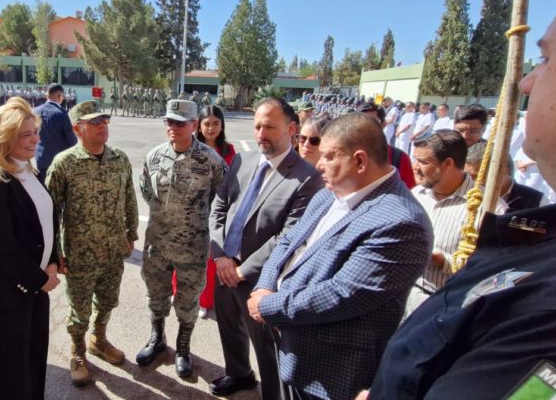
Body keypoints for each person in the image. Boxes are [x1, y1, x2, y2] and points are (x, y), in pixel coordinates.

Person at [365, 16, 556, 399]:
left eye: (547, 59)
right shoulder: (412, 197)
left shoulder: (494, 216)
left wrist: (445, 260)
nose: (527, 82)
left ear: (449, 164)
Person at [248, 113, 433, 400]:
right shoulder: (327, 194)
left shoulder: (402, 223)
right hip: (292, 348)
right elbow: (288, 243)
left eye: (328, 156)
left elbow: (342, 294)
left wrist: (268, 305)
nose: (318, 164)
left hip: (330, 374)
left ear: (360, 161)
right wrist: (265, 284)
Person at [209, 98, 324, 398]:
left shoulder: (307, 178)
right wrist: (220, 255)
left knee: (268, 350)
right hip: (224, 265)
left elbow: (290, 235)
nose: (261, 133)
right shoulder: (241, 160)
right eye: (258, 125)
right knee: (228, 329)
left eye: (270, 126)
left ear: (292, 129)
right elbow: (220, 205)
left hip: (262, 281)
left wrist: (242, 271)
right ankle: (240, 374)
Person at [0, 97, 60, 400]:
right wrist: (40, 279)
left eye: (35, 132)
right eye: (25, 135)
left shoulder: (28, 170)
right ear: (4, 138)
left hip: (34, 287)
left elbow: (46, 223)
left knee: (32, 364)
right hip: (3, 294)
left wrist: (54, 261)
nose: (34, 140)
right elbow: (1, 246)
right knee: (9, 375)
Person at [46, 101, 139, 386]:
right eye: (94, 122)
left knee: (108, 300)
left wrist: (130, 234)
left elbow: (129, 198)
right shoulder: (64, 163)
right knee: (80, 308)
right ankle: (78, 350)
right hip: (80, 252)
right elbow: (50, 210)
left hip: (113, 249)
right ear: (77, 128)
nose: (102, 126)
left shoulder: (119, 159)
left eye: (104, 120)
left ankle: (99, 339)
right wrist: (55, 252)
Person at [137, 99, 226, 378]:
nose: (173, 127)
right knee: (156, 294)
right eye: (169, 121)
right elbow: (146, 192)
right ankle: (157, 339)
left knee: (188, 300)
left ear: (193, 125)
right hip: (158, 244)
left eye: (180, 122)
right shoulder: (153, 156)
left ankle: (183, 347)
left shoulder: (211, 160)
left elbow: (221, 198)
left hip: (192, 246)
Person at [171, 105, 236, 319]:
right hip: (190, 213)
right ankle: (178, 293)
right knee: (183, 256)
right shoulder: (190, 147)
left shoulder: (229, 151)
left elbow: (233, 184)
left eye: (216, 123)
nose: (211, 128)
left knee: (209, 258)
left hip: (216, 213)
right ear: (199, 125)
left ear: (222, 125)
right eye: (207, 123)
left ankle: (204, 301)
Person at [406, 130, 476, 315]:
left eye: (423, 162)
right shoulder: (417, 195)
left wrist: (441, 260)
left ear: (447, 164)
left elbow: (484, 266)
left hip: (444, 307)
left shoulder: (481, 207)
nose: (415, 167)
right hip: (405, 296)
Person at [466, 141, 547, 212]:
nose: (471, 181)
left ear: (502, 171)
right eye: (467, 175)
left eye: (477, 176)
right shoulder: (464, 197)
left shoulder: (536, 202)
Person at [359, 104, 417, 188]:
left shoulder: (399, 159)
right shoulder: (342, 154)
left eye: (373, 121)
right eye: (359, 121)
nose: (365, 126)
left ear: (383, 124)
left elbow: (407, 193)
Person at [34, 84, 77, 183]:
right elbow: (72, 141)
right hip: (57, 161)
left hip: (40, 158)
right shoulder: (61, 113)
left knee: (44, 189)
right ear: (59, 96)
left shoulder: (35, 111)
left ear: (47, 95)